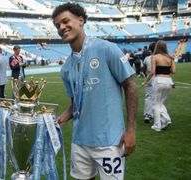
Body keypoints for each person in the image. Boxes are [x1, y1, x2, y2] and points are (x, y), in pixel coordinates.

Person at [52, 3, 138, 180]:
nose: (61, 27)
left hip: (110, 141)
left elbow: (130, 85)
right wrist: (59, 119)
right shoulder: (66, 68)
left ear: (81, 20)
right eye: (57, 25)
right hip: (80, 141)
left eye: (65, 21)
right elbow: (75, 103)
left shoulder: (106, 48)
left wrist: (131, 129)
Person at [142, 40, 175, 132]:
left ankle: (157, 125)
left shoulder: (154, 57)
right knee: (160, 103)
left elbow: (152, 72)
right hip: (169, 81)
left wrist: (145, 81)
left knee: (156, 104)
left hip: (159, 81)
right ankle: (166, 120)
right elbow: (173, 71)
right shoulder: (170, 58)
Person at [142, 42, 156, 123]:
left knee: (148, 97)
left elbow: (143, 68)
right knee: (158, 98)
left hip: (149, 77)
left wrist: (144, 74)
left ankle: (148, 114)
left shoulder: (147, 58)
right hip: (158, 77)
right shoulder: (160, 57)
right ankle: (157, 115)